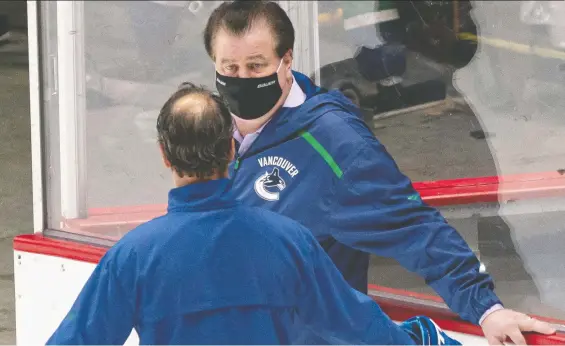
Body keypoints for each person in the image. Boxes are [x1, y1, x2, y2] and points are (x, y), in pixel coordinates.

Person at [203, 1, 556, 345]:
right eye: (230, 68)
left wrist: (486, 309)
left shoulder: (334, 143)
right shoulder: (211, 128)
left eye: (256, 65)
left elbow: (413, 227)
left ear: (287, 60)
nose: (241, 79)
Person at [47, 82, 461, 345]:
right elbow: (355, 324)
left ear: (164, 156)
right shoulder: (288, 241)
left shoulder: (132, 257)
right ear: (231, 148)